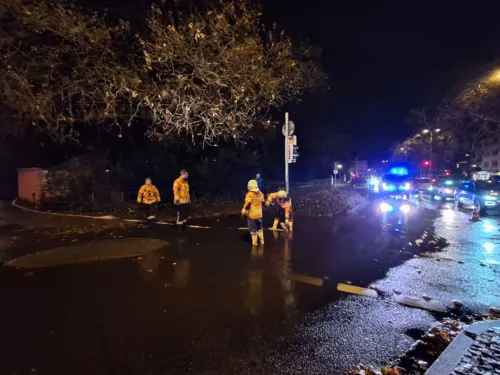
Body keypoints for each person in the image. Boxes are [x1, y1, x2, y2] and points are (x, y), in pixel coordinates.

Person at [242, 179, 265, 246]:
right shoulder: (261, 193)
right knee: (260, 227)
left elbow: (247, 204)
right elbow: (263, 201)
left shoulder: (249, 194)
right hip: (259, 214)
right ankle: (262, 241)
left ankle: (254, 243)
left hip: (252, 215)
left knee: (252, 229)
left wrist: (244, 210)